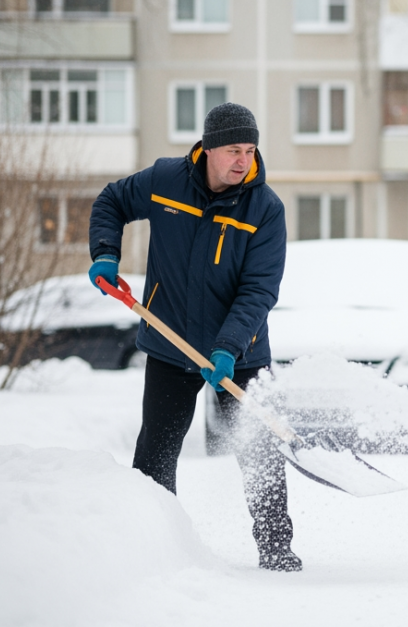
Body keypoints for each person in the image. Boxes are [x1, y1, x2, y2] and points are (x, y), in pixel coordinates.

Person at [87, 103, 297, 571]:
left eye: (250, 150)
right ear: (208, 149)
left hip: (239, 353)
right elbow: (112, 201)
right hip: (171, 342)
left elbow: (259, 290)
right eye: (233, 150)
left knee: (259, 451)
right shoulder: (166, 180)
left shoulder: (265, 210)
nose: (242, 160)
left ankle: (277, 549)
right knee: (156, 452)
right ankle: (152, 545)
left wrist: (228, 347)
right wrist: (105, 253)